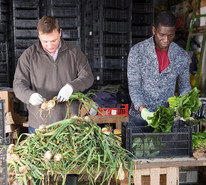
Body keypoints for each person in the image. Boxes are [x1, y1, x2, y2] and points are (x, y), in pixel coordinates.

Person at [13, 16, 94, 133]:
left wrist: (72, 86)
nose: (50, 45)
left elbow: (88, 77)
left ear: (60, 32)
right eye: (45, 41)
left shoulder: (74, 52)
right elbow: (18, 84)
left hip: (69, 123)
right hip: (40, 125)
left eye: (54, 40)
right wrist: (29, 96)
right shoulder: (29, 55)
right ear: (38, 35)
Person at [127, 10, 191, 127]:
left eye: (170, 35)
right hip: (139, 119)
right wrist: (143, 110)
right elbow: (134, 86)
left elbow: (185, 87)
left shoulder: (181, 56)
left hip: (166, 119)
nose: (166, 40)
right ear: (154, 30)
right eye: (162, 35)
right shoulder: (137, 52)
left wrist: (182, 105)